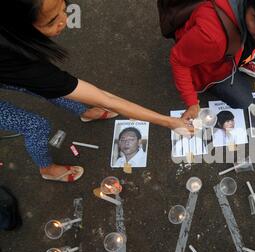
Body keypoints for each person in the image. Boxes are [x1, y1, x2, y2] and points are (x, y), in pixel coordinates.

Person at [0, 0, 192, 183]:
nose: (64, 20)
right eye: (51, 21)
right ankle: (46, 169)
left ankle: (84, 112)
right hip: (12, 68)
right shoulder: (22, 64)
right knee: (36, 125)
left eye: (63, 7)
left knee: (53, 89)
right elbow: (106, 99)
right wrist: (169, 122)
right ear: (20, 27)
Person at [169, 0, 255, 121]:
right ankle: (215, 81)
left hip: (231, 47)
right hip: (211, 65)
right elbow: (178, 60)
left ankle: (241, 62)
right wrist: (191, 102)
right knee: (243, 101)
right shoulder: (212, 37)